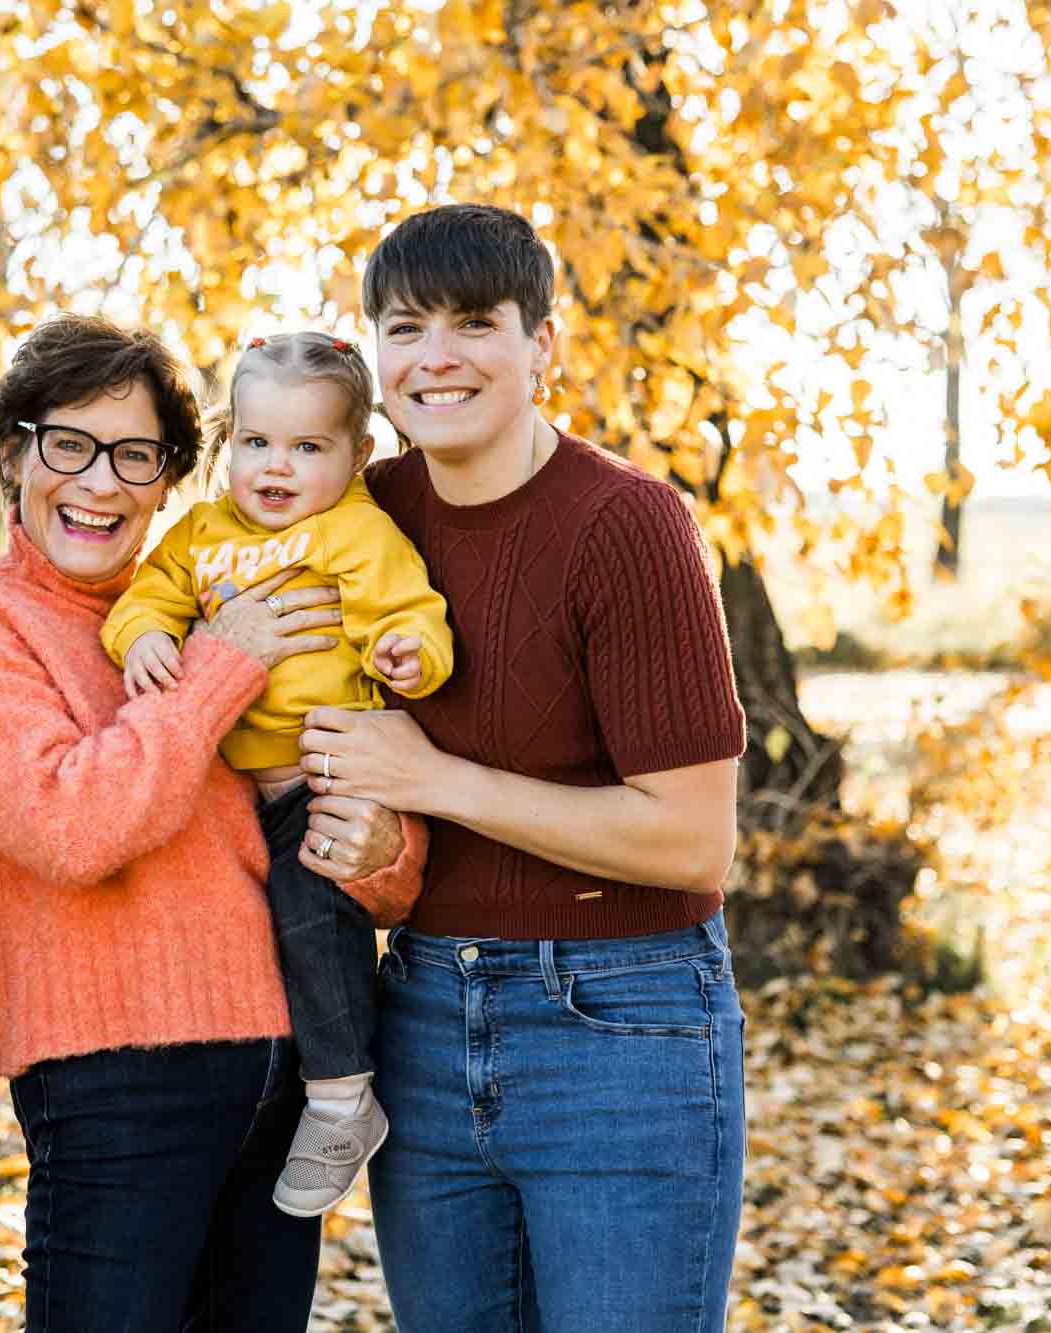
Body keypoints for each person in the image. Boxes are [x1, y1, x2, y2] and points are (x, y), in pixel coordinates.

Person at [0, 314, 427, 1331]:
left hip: (285, 1068)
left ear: (170, 477)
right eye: (68, 445)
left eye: (134, 455)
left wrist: (384, 854)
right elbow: (72, 826)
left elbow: (339, 836)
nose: (99, 483)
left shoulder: (221, 599)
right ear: (13, 453)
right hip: (113, 1086)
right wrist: (217, 665)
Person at [297, 203, 750, 1332]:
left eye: (472, 323)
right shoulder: (364, 515)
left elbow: (691, 839)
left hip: (619, 1023)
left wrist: (431, 780)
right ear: (373, 358)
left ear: (542, 345)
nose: (434, 357)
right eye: (404, 328)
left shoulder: (627, 524)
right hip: (420, 1012)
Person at [99, 330, 453, 1217]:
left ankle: (342, 1095)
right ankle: (285, 1088)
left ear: (358, 454)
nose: (277, 466)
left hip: (321, 775)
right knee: (252, 935)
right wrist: (141, 633)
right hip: (230, 789)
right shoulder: (203, 531)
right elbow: (149, 594)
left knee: (311, 906)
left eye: (307, 446)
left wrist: (412, 653)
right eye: (256, 442)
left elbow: (410, 613)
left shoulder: (356, 532)